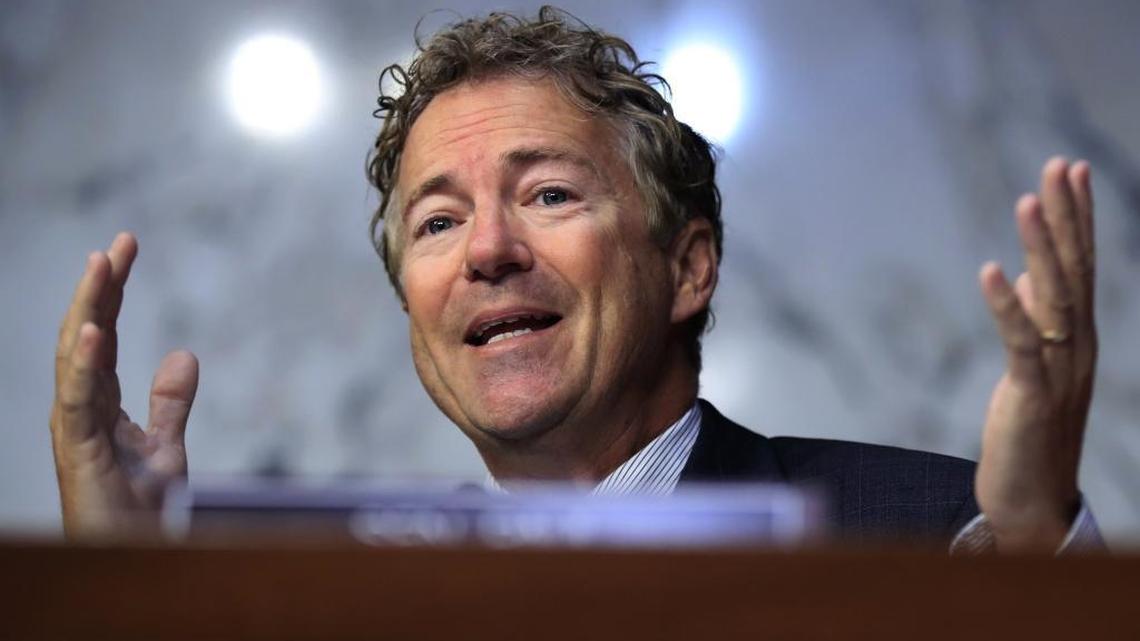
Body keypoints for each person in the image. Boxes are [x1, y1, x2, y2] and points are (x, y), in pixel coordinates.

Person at [49, 7, 1101, 551]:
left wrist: (1032, 564)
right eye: (438, 218)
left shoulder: (938, 533)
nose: (487, 249)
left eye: (548, 193)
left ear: (689, 266)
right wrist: (124, 585)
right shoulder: (332, 593)